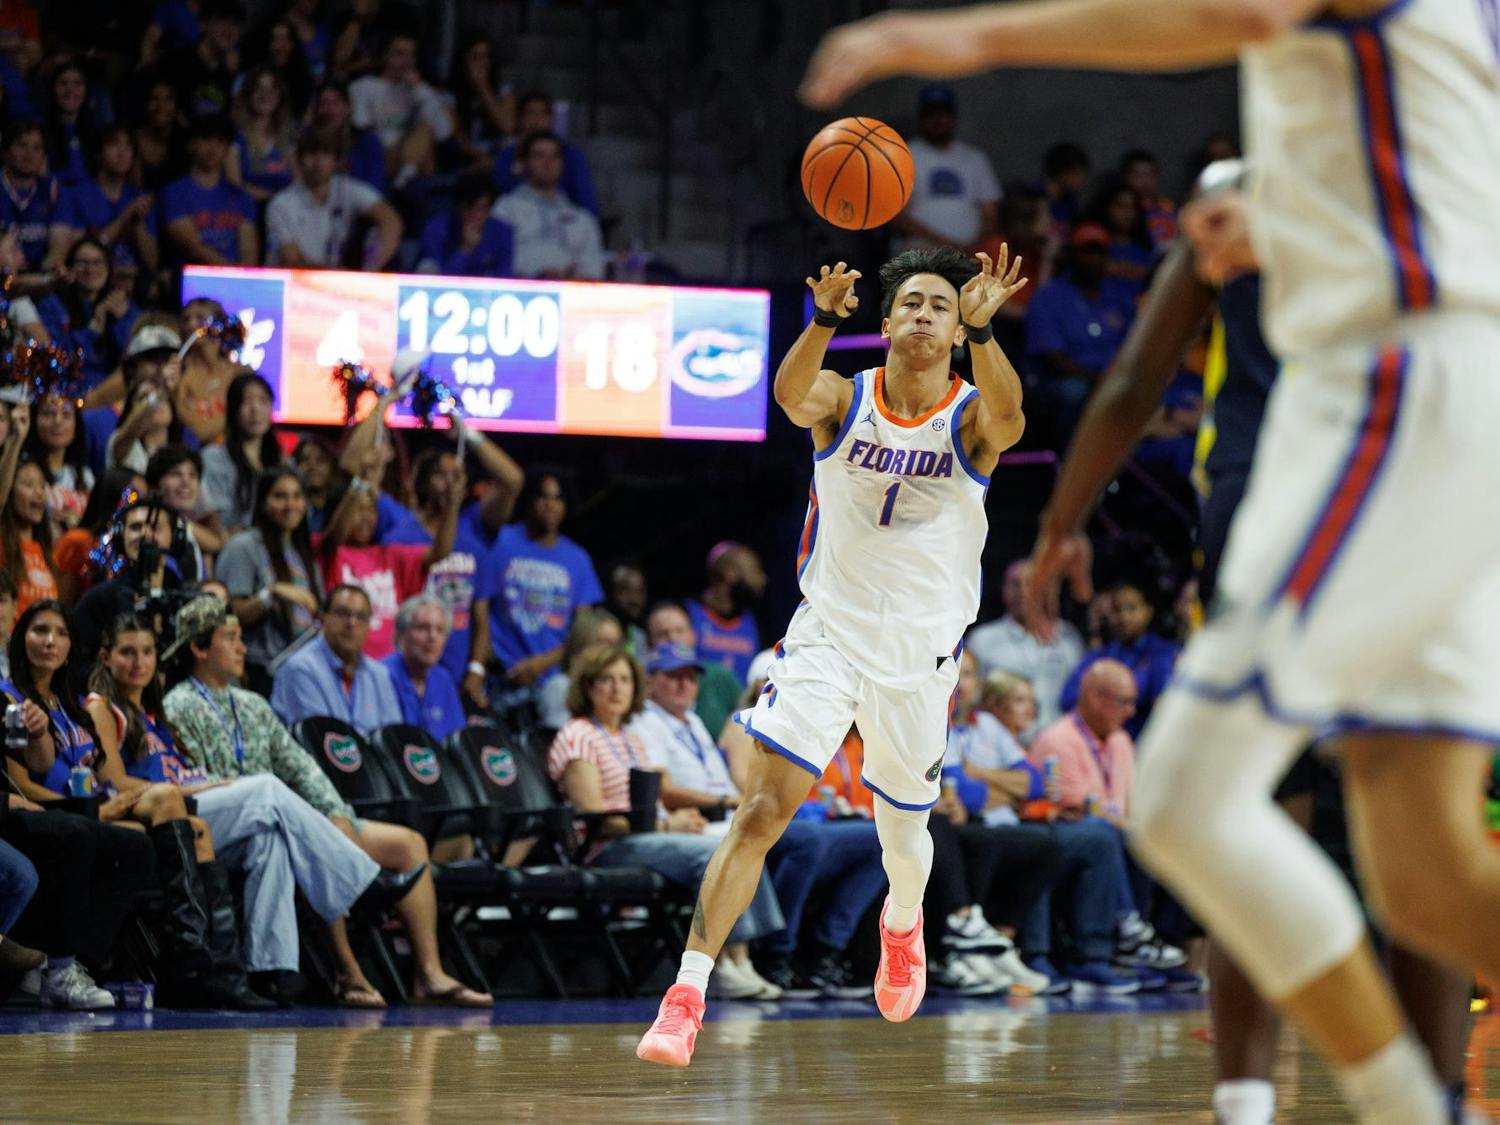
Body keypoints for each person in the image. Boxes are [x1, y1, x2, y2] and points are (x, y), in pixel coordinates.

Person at [1022, 161, 1473, 1125]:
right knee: (1414, 840)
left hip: (1265, 504)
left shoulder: (1240, 193)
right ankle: (1430, 1096)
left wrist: (1062, 521)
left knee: (1246, 813)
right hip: (1396, 501)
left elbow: (1137, 376)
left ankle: (1245, 1095)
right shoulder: (1433, 179)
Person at [637, 244, 1027, 1065]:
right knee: (760, 812)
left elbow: (1012, 419)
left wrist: (989, 335)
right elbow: (785, 393)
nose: (924, 313)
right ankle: (686, 993)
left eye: (941, 308)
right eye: (912, 303)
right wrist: (818, 321)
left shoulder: (968, 416)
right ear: (885, 323)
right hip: (828, 636)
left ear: (958, 333)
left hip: (919, 656)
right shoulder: (843, 401)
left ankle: (902, 922)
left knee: (902, 839)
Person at [163, 593, 493, 1007]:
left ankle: (270, 973)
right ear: (198, 648)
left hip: (272, 819)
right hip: (214, 821)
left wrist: (334, 812)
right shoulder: (177, 705)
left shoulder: (252, 704)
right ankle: (358, 898)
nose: (244, 648)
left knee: (280, 840)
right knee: (269, 792)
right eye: (231, 638)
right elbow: (191, 779)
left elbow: (301, 766)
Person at [84, 611, 390, 1004]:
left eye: (147, 652)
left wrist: (206, 782)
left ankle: (264, 971)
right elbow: (115, 783)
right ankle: (359, 883)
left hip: (192, 808)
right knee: (265, 788)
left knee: (270, 840)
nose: (139, 661)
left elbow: (186, 773)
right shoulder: (103, 707)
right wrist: (201, 784)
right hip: (163, 818)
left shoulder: (151, 712)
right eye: (127, 652)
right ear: (106, 657)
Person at [2, 598, 269, 1008]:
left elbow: (61, 763)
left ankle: (208, 966)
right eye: (40, 631)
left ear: (74, 645)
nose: (50, 641)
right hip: (60, 811)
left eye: (60, 633)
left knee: (167, 836)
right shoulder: (13, 698)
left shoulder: (69, 703)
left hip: (85, 806)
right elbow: (24, 785)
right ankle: (183, 956)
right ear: (20, 639)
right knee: (149, 809)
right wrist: (94, 808)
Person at [632, 642, 885, 1000]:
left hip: (740, 813)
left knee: (878, 840)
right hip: (711, 817)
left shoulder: (692, 722)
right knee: (792, 838)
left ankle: (825, 950)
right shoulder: (664, 722)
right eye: (673, 677)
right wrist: (727, 801)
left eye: (690, 677)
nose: (684, 685)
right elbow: (683, 788)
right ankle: (773, 951)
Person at [548, 643, 786, 1001]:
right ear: (587, 687)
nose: (617, 688)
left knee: (743, 841)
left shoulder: (631, 738)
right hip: (606, 848)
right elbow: (596, 817)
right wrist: (666, 827)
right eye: (606, 680)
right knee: (713, 854)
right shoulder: (577, 734)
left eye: (625, 680)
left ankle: (742, 960)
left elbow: (653, 805)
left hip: (647, 839)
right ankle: (720, 965)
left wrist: (676, 819)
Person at [1, 791, 154, 1009]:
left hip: (35, 805)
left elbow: (40, 763)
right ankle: (58, 970)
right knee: (72, 836)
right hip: (11, 811)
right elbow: (23, 781)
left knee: (137, 848)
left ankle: (75, 967)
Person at [467, 471, 604, 708]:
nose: (550, 505)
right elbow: (480, 607)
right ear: (529, 500)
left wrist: (542, 663)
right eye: (542, 497)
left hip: (553, 682)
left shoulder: (578, 559)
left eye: (558, 498)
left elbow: (585, 631)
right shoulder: (500, 542)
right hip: (499, 677)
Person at [1024, 222, 1137, 446]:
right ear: (1072, 255)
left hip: (1116, 376)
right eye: (1086, 252)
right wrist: (1098, 380)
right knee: (1073, 392)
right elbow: (1053, 358)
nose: (1093, 259)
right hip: (1070, 378)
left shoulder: (1119, 296)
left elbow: (1136, 344)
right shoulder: (1049, 296)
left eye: (1099, 252)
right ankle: (1069, 462)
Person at [216, 465, 324, 694]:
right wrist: (270, 594)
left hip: (302, 673)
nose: (290, 505)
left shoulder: (303, 553)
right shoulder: (244, 546)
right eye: (280, 496)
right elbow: (226, 615)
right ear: (263, 502)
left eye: (297, 496)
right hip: (259, 672)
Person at [965, 559, 1083, 733]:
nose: (1023, 591)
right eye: (1015, 584)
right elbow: (969, 699)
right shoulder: (982, 640)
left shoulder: (1068, 639)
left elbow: (1079, 698)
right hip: (998, 748)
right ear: (1004, 591)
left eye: (1031, 583)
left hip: (1057, 746)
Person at [271, 583, 403, 737]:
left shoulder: (379, 675)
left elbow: (392, 739)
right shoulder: (300, 669)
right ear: (323, 618)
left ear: (369, 625)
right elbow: (319, 740)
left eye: (361, 616)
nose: (352, 623)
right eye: (343, 613)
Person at [1060, 575, 1180, 739]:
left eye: (1131, 608)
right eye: (1117, 609)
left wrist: (1104, 699)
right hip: (1099, 743)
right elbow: (1068, 698)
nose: (1123, 617)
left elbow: (1165, 707)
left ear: (1148, 611)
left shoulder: (1164, 653)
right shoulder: (1100, 655)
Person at [265, 125, 401, 269]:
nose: (318, 162)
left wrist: (371, 266)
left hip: (343, 281)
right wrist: (340, 275)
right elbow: (291, 260)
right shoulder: (281, 204)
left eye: (325, 153)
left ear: (335, 160)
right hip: (297, 283)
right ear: (299, 159)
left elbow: (390, 219)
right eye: (311, 153)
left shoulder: (348, 189)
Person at [890, 84, 1001, 256]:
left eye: (943, 114)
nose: (938, 120)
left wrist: (975, 247)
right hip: (920, 252)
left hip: (970, 254)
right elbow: (896, 216)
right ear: (921, 117)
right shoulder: (904, 155)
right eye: (931, 114)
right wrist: (945, 244)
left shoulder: (974, 158)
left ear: (954, 117)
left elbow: (990, 214)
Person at [491, 131, 606, 281]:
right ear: (525, 162)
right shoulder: (506, 208)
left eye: (554, 156)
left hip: (571, 296)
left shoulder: (582, 219)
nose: (548, 162)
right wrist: (538, 275)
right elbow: (494, 258)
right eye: (539, 156)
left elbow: (593, 270)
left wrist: (569, 278)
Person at [347, 30, 452, 186]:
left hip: (414, 157)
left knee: (427, 130)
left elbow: (444, 132)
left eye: (411, 55)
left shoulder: (419, 89)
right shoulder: (363, 86)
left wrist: (419, 89)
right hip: (381, 156)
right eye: (399, 54)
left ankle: (403, 182)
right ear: (384, 55)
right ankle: (404, 183)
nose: (407, 61)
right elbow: (361, 127)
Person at [47, 126, 158, 274]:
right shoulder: (74, 195)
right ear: (98, 153)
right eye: (114, 144)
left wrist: (138, 224)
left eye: (128, 146)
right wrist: (125, 216)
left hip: (133, 282)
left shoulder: (139, 197)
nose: (122, 153)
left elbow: (152, 264)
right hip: (89, 278)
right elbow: (77, 253)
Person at [159, 113, 258, 268]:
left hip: (237, 283)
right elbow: (193, 247)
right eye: (206, 139)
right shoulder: (173, 193)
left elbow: (249, 253)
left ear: (227, 149)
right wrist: (232, 273)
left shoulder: (242, 197)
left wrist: (239, 277)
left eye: (220, 142)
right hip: (191, 282)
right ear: (191, 145)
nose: (213, 148)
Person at [34, 237, 138, 384]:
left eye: (98, 262)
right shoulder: (52, 305)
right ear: (70, 268)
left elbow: (135, 355)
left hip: (112, 390)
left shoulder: (122, 304)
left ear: (109, 268)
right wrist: (94, 327)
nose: (90, 269)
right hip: (69, 387)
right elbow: (57, 356)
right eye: (83, 263)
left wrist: (121, 320)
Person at [646, 601, 742, 744]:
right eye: (663, 634)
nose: (673, 638)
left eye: (679, 631)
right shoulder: (643, 690)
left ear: (693, 635)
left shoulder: (721, 676)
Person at [492, 90, 599, 215]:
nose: (536, 120)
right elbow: (503, 193)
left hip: (564, 222)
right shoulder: (507, 156)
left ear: (551, 119)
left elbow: (586, 200)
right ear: (520, 119)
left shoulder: (572, 155)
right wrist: (519, 162)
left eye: (542, 114)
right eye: (530, 113)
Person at [201, 371, 281, 534]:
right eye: (246, 401)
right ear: (233, 409)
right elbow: (219, 523)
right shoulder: (214, 458)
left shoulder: (282, 462)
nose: (255, 409)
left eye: (263, 401)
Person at [0, 410, 63, 614]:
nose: (38, 492)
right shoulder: (2, 543)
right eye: (28, 484)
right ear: (9, 491)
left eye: (41, 485)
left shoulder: (47, 553)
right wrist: (15, 441)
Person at [382, 594, 466, 742]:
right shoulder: (381, 675)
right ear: (402, 634)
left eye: (440, 630)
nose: (432, 637)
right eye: (423, 628)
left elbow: (456, 740)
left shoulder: (443, 679)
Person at [23, 376, 96, 538]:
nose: (57, 421)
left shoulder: (85, 476)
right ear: (34, 419)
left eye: (66, 415)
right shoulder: (24, 471)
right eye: (48, 413)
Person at [684, 542, 765, 685]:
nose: (762, 579)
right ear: (730, 573)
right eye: (754, 570)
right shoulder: (687, 613)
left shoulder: (751, 621)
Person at [538, 607, 623, 733]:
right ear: (580, 645)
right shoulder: (561, 686)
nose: (610, 653)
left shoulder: (621, 689)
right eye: (602, 643)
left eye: (615, 645)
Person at [415, 172, 513, 278]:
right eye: (468, 208)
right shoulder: (435, 229)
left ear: (490, 209)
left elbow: (503, 277)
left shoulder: (503, 232)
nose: (474, 215)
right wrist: (465, 249)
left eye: (481, 209)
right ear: (458, 206)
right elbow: (436, 280)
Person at [225, 66, 295, 205]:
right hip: (247, 210)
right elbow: (234, 183)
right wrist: (272, 198)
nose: (265, 95)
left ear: (279, 95)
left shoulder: (289, 134)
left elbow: (298, 180)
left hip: (287, 211)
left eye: (272, 90)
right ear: (248, 94)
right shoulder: (234, 134)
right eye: (259, 89)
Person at [145, 443, 218, 574]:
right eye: (175, 474)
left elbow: (215, 543)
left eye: (193, 475)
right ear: (156, 485)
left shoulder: (187, 530)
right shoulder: (146, 529)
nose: (186, 482)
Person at [0, 121, 59, 269]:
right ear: (5, 151)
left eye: (37, 148)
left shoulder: (53, 190)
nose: (29, 154)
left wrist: (35, 282)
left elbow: (58, 252)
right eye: (22, 145)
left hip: (38, 280)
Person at [1120, 148, 1177, 249]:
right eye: (1137, 175)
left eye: (1150, 175)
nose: (1144, 181)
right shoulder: (1123, 210)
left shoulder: (1169, 208)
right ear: (1125, 177)